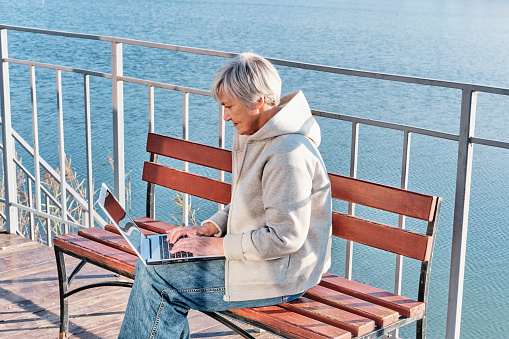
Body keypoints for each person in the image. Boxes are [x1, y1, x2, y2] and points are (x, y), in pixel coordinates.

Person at [118, 52, 332, 339]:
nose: (225, 115)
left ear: (257, 102)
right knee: (152, 265)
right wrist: (209, 228)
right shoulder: (257, 134)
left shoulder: (287, 156)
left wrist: (216, 247)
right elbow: (248, 200)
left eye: (229, 106)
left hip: (281, 274)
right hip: (253, 258)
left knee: (159, 279)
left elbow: (285, 238)